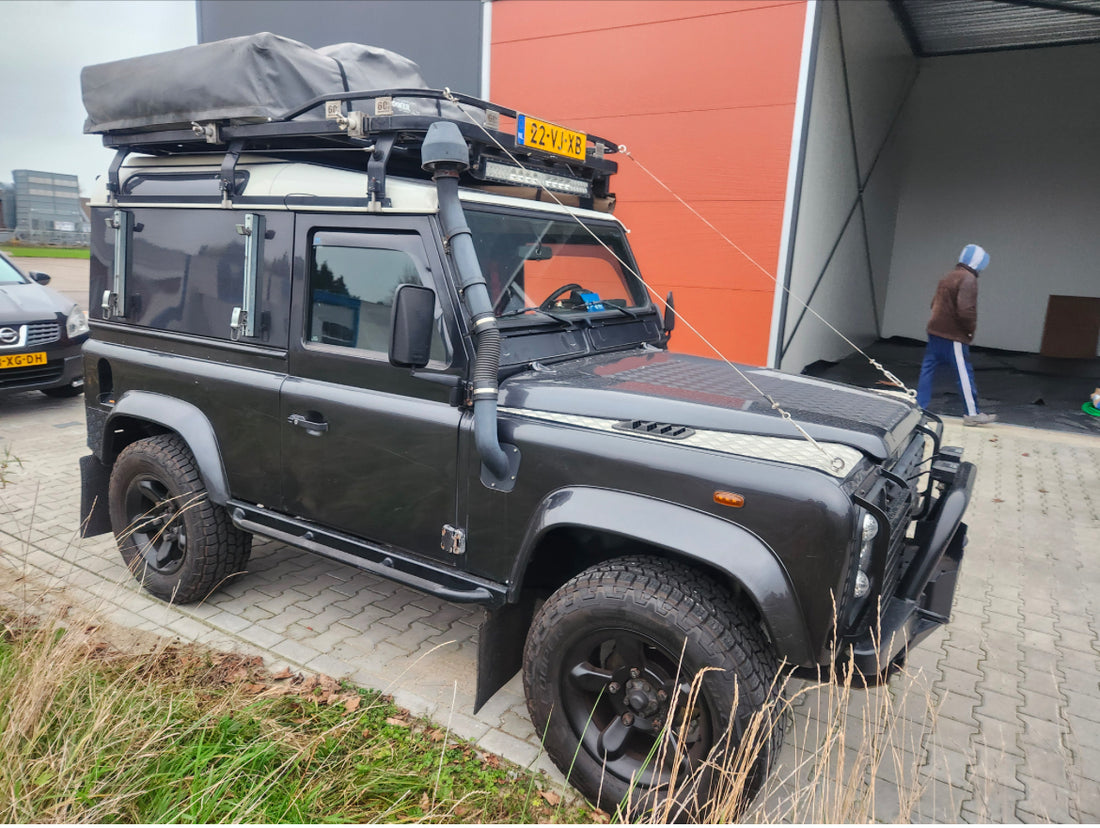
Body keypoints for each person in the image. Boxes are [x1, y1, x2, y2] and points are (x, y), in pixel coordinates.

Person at [916, 244, 997, 426]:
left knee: (927, 370)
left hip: (935, 330)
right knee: (963, 373)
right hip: (953, 334)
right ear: (978, 262)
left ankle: (919, 408)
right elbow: (966, 310)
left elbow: (933, 304)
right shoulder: (968, 279)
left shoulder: (948, 276)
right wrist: (969, 331)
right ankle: (972, 413)